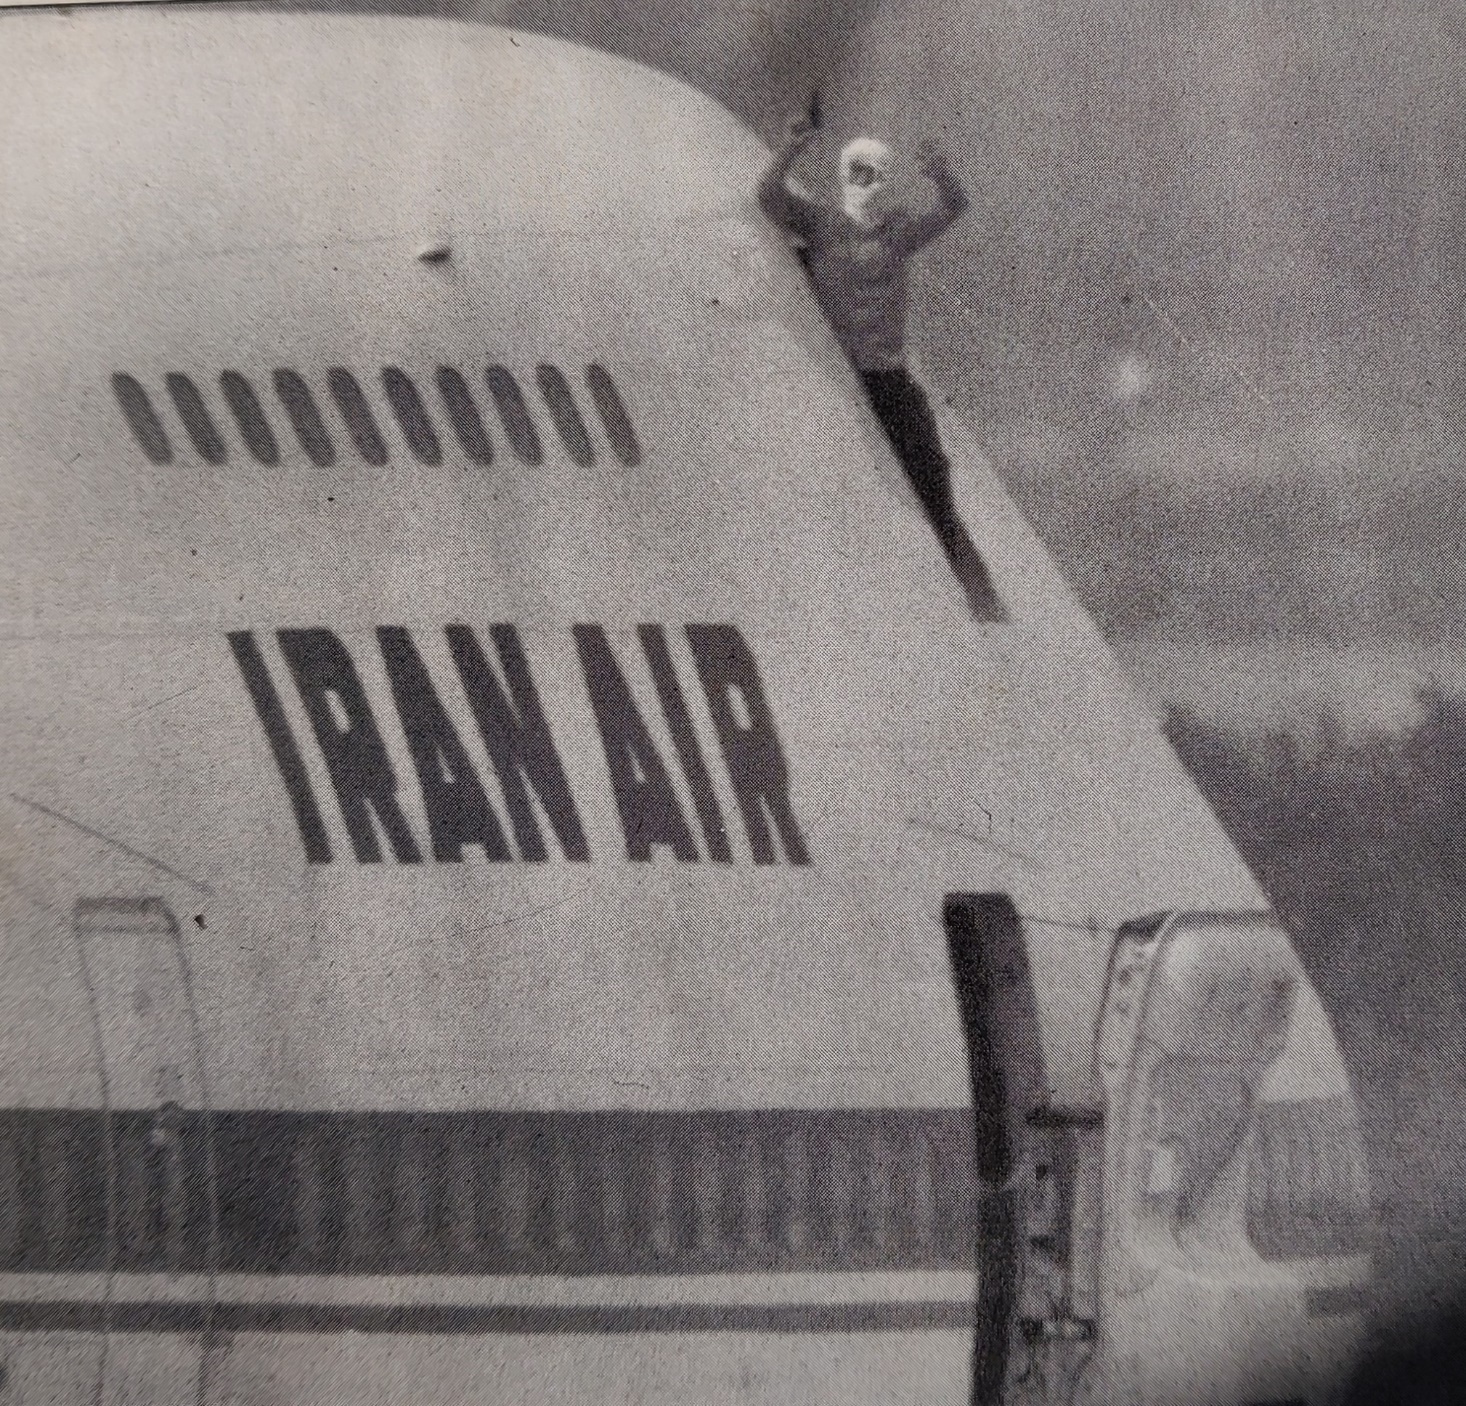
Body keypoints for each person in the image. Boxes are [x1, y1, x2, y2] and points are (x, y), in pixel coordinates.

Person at [758, 120, 1002, 619]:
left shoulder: (897, 233)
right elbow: (768, 197)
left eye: (874, 172)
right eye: (857, 170)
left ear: (887, 179)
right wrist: (791, 149)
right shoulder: (822, 224)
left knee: (932, 474)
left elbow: (953, 208)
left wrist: (940, 172)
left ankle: (977, 597)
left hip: (886, 374)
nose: (864, 181)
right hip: (843, 378)